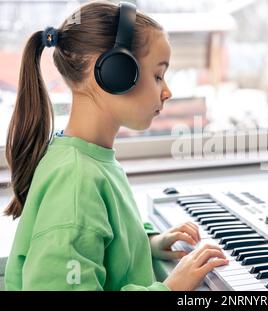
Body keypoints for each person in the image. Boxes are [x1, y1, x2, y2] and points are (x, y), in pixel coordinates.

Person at [4, 1, 228, 291]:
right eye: (158, 75)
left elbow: (97, 243)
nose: (167, 91)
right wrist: (171, 288)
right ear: (114, 72)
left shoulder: (86, 158)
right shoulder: (76, 180)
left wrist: (148, 244)